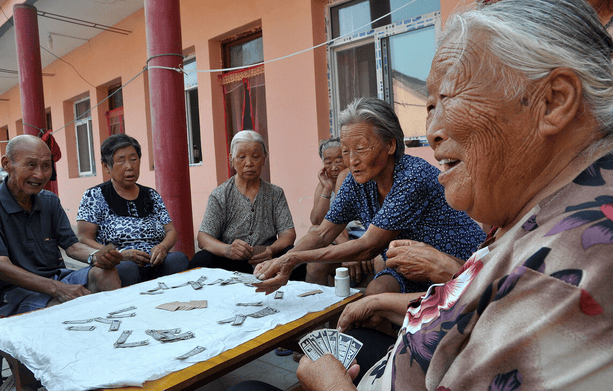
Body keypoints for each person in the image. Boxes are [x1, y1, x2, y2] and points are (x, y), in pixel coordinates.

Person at [235, 1, 613, 390]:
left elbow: (368, 246)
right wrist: (292, 261)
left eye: (447, 99)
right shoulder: (536, 215)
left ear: (552, 101)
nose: (432, 129)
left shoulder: (567, 264)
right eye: (430, 106)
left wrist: (331, 383)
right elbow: (325, 231)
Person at [253, 97, 484, 295]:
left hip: (458, 266)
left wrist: (294, 259)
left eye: (361, 148)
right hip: (411, 269)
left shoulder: (413, 176)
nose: (351, 160)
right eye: (346, 151)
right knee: (376, 292)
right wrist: (283, 260)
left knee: (375, 301)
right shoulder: (356, 182)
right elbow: (323, 232)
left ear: (390, 145)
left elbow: (369, 246)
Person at [0, 135, 122, 317]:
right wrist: (59, 289)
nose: (40, 175)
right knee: (63, 307)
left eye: (46, 166)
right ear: (6, 164)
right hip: (11, 292)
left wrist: (96, 257)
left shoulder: (49, 200)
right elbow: (2, 268)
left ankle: (121, 326)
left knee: (105, 273)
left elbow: (72, 246)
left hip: (55, 277)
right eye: (31, 165)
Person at [76, 134, 189, 287]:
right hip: (120, 264)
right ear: (106, 166)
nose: (129, 166)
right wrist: (119, 255)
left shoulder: (151, 195)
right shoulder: (94, 196)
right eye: (121, 160)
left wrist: (163, 247)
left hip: (154, 263)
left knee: (178, 259)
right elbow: (84, 239)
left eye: (134, 159)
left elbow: (170, 231)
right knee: (127, 268)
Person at [190, 130, 298, 276]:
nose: (249, 163)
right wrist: (228, 250)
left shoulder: (275, 193)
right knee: (201, 259)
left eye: (255, 156)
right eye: (241, 157)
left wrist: (272, 250)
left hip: (267, 259)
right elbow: (203, 238)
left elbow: (288, 233)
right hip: (231, 261)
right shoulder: (220, 194)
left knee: (294, 256)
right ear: (231, 159)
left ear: (264, 158)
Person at [310, 138, 379, 286]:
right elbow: (317, 221)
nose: (334, 167)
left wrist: (353, 250)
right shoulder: (323, 185)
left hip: (363, 235)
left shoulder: (360, 179)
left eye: (338, 160)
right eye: (328, 162)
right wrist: (327, 190)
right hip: (339, 238)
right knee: (313, 231)